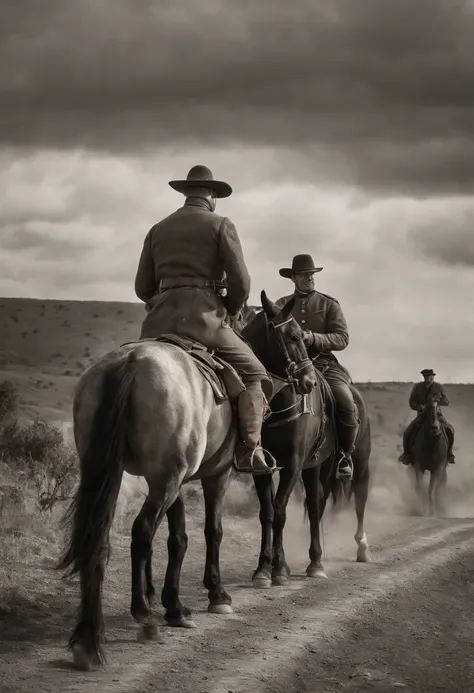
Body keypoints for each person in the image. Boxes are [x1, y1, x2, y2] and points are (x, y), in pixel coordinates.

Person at [134, 164, 278, 475]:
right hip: (206, 322)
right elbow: (242, 282)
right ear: (212, 195)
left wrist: (163, 300)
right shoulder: (220, 224)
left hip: (157, 326)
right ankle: (249, 451)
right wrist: (228, 306)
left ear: (186, 193)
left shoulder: (157, 229)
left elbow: (141, 288)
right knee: (255, 374)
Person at [275, 254, 357, 480]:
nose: (309, 278)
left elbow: (342, 339)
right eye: (304, 275)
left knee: (345, 400)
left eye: (312, 274)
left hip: (323, 364)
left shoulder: (328, 304)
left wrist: (313, 338)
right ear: (293, 278)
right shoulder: (281, 305)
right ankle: (255, 451)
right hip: (289, 368)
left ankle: (344, 455)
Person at [398, 368, 455, 465]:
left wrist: (436, 402)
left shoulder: (438, 387)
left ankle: (449, 453)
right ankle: (407, 454)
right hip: (422, 415)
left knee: (450, 429)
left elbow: (446, 401)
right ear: (424, 378)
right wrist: (419, 407)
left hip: (437, 414)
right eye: (427, 377)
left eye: (430, 377)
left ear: (433, 377)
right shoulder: (417, 387)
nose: (429, 379)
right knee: (408, 431)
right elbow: (412, 402)